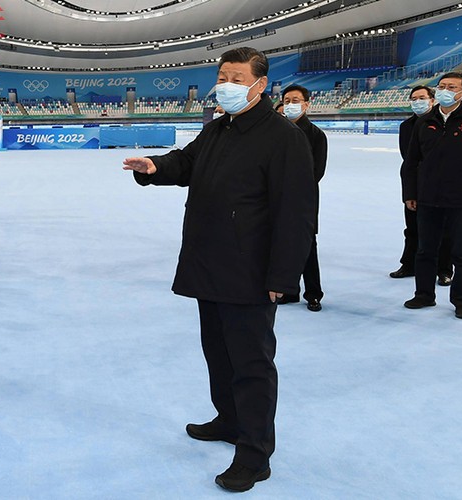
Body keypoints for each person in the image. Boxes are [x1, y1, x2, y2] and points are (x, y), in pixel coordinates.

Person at [122, 47, 316, 492]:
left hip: (251, 273)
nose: (226, 84)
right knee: (219, 354)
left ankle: (255, 453)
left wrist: (283, 279)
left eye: (236, 77)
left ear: (260, 85)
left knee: (252, 365)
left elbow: (297, 215)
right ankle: (229, 420)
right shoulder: (219, 128)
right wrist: (154, 167)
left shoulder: (284, 138)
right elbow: (187, 161)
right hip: (210, 264)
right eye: (222, 75)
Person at [401, 72, 462, 320]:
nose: (445, 90)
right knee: (425, 250)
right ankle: (424, 294)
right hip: (427, 197)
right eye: (442, 86)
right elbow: (411, 162)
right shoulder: (424, 123)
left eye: (451, 87)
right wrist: (410, 193)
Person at [391, 86, 454, 285]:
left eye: (422, 97)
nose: (418, 101)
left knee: (442, 229)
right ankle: (409, 264)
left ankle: (444, 269)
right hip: (414, 183)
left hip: (441, 184)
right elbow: (408, 157)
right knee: (412, 228)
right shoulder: (406, 126)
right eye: (414, 98)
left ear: (432, 100)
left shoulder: (443, 122)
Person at [276, 84, 327, 312]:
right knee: (280, 245)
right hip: (275, 198)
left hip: (302, 200)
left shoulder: (316, 135)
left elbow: (317, 172)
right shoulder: (274, 131)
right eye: (287, 101)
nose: (290, 105)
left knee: (307, 247)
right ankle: (288, 290)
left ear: (306, 104)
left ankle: (313, 293)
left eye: (295, 101)